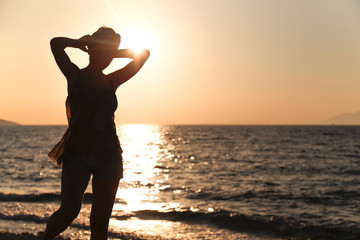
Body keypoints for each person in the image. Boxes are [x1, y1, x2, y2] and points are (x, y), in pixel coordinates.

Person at [43, 27, 150, 240]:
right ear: (91, 50)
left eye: (111, 53)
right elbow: (55, 43)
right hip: (78, 152)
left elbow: (144, 53)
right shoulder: (73, 74)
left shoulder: (112, 80)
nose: (108, 59)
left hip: (108, 155)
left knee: (100, 221)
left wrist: (112, 51)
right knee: (69, 210)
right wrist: (81, 43)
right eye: (104, 52)